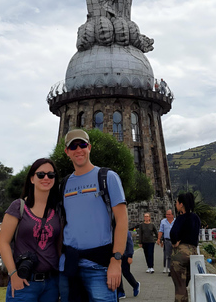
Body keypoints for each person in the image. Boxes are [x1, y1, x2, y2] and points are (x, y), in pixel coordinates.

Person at [59, 129, 128, 302]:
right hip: (70, 266)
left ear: (89, 147)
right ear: (67, 152)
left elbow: (122, 221)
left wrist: (116, 260)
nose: (78, 150)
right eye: (73, 146)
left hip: (99, 266)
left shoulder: (107, 177)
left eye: (82, 144)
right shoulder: (64, 184)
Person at [0, 158, 62, 301]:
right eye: (41, 174)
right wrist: (13, 274)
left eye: (51, 175)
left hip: (51, 283)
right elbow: (3, 242)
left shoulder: (57, 210)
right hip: (24, 282)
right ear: (32, 179)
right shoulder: (19, 207)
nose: (46, 178)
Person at [170, 192, 201, 302]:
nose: (176, 205)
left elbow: (173, 233)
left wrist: (175, 242)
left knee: (180, 286)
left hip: (181, 254)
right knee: (185, 284)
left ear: (181, 204)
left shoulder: (181, 217)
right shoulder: (196, 218)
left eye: (177, 203)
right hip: (193, 253)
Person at [117, 231, 140, 299]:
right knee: (118, 273)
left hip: (125, 255)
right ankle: (121, 292)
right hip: (115, 256)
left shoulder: (125, 231)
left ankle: (135, 285)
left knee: (126, 273)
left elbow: (130, 243)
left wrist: (130, 256)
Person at [157, 209, 175, 274]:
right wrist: (159, 239)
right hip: (166, 240)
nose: (167, 215)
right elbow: (161, 231)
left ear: (172, 215)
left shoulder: (176, 221)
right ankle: (165, 267)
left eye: (169, 214)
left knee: (173, 254)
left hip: (174, 240)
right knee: (166, 254)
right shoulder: (163, 221)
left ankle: (171, 267)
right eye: (167, 214)